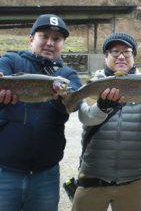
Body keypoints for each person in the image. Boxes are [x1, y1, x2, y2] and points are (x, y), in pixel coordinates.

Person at [72, 32, 141, 211]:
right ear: (105, 56)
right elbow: (85, 117)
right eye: (115, 52)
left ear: (133, 57)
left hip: (133, 180)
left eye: (127, 52)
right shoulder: (93, 83)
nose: (121, 56)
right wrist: (101, 108)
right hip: (92, 176)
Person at [0, 14, 82, 211]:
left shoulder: (67, 75)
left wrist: (62, 99)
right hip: (4, 172)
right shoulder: (10, 61)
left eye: (56, 39)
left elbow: (74, 103)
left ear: (62, 44)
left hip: (45, 174)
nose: (50, 43)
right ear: (31, 39)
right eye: (44, 36)